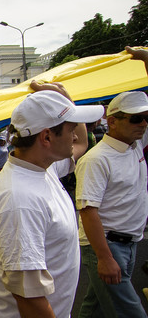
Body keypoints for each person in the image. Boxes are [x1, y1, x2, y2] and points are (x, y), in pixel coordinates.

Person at [0, 81, 104, 318]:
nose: (75, 135)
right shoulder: (20, 198)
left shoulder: (43, 168)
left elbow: (82, 143)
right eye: (69, 129)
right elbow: (29, 297)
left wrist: (66, 100)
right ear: (46, 137)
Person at [75, 46, 148, 318]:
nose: (143, 124)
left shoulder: (134, 145)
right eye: (136, 118)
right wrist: (105, 258)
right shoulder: (97, 159)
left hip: (129, 243)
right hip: (107, 246)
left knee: (93, 309)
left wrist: (146, 62)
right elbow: (88, 210)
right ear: (112, 121)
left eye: (146, 118)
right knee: (131, 313)